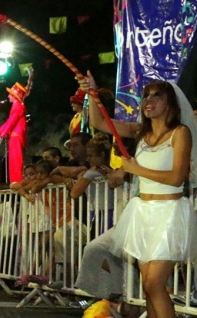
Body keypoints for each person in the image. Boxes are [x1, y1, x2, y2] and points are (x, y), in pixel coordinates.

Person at [80, 72, 197, 318]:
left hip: (169, 213)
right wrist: (92, 94)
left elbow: (177, 177)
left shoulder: (180, 133)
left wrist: (136, 169)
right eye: (146, 96)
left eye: (157, 95)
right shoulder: (139, 133)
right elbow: (99, 123)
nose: (148, 100)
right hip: (143, 213)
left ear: (171, 103)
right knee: (147, 286)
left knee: (155, 284)